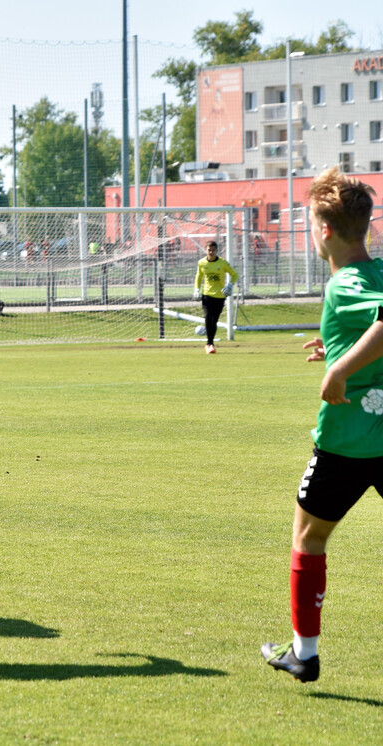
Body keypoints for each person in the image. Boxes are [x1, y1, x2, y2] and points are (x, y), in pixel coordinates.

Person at [260, 168, 379, 684]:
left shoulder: (348, 280)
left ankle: (304, 654)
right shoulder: (377, 275)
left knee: (308, 538)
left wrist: (340, 368)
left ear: (324, 230)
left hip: (348, 443)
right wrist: (336, 350)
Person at [193, 240, 239, 353]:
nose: (211, 252)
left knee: (214, 320)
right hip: (207, 295)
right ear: (206, 250)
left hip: (220, 295)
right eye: (209, 250)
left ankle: (210, 342)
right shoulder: (202, 262)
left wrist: (229, 285)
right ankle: (210, 344)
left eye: (213, 250)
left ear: (216, 250)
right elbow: (198, 277)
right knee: (208, 318)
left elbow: (235, 275)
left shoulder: (222, 263)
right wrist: (196, 289)